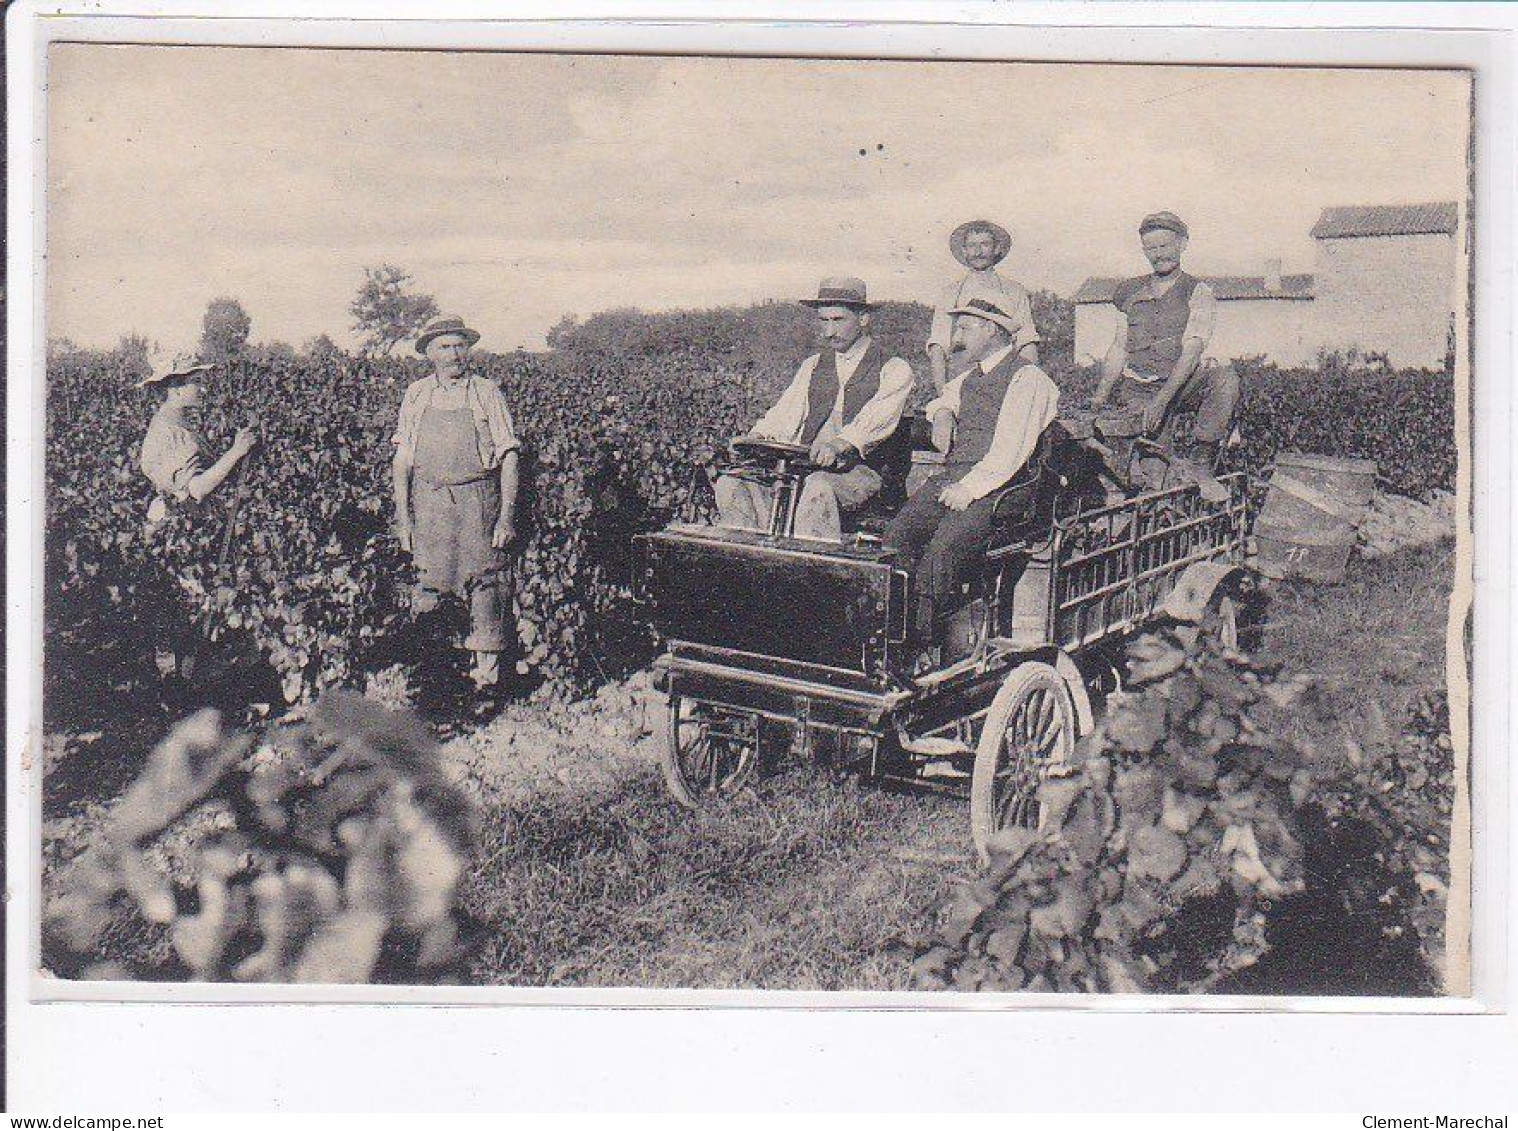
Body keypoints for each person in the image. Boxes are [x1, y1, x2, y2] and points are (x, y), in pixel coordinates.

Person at [884, 297, 1060, 658]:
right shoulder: (969, 377)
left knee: (943, 548)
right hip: (959, 478)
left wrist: (970, 488)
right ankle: (890, 632)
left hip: (1006, 486)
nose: (957, 335)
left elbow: (1011, 451)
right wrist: (945, 412)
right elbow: (942, 400)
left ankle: (923, 645)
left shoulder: (1028, 378)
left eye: (964, 327)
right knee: (898, 534)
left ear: (991, 330)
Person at [715, 276, 913, 541]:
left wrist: (841, 444)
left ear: (863, 318)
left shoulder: (893, 368)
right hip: (805, 466)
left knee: (818, 488)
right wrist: (759, 436)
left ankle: (813, 572)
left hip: (863, 473)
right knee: (733, 484)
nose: (830, 331)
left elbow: (876, 420)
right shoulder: (814, 365)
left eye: (838, 320)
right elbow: (785, 412)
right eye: (824, 321)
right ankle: (752, 561)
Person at [392, 316, 520, 691]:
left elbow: (509, 456)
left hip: (477, 501)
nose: (453, 354)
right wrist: (405, 520)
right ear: (430, 353)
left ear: (469, 350)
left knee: (486, 583)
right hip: (429, 501)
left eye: (459, 346)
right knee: (431, 584)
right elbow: (403, 461)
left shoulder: (486, 392)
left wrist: (506, 517)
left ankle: (486, 678)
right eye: (444, 347)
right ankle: (439, 673)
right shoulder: (416, 395)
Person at [136, 350, 260, 679]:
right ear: (174, 390)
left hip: (185, 524)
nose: (201, 388)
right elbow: (196, 488)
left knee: (194, 605)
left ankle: (191, 680)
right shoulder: (170, 433)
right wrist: (236, 452)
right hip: (178, 528)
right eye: (194, 382)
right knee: (189, 605)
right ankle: (183, 686)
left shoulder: (178, 425)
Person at [1092, 210, 1241, 468]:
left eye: (1164, 245)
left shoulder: (1198, 292)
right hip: (1138, 388)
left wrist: (1161, 402)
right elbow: (1119, 347)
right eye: (1150, 248)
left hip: (1182, 386)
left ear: (1182, 245)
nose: (1158, 254)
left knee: (1224, 379)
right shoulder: (1128, 291)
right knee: (1152, 466)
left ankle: (1202, 459)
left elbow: (1192, 352)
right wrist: (1100, 396)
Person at [927, 219, 1040, 392]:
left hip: (1005, 380)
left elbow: (1027, 343)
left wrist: (1030, 388)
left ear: (996, 249)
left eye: (985, 245)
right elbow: (938, 347)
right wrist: (943, 393)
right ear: (964, 250)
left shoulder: (1014, 291)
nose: (978, 252)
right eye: (972, 246)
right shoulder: (950, 293)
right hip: (960, 379)